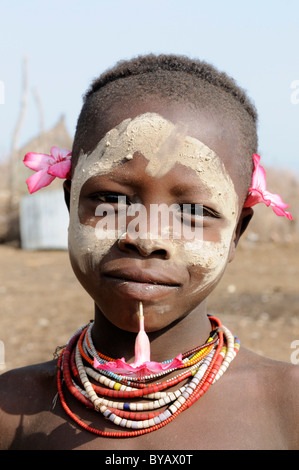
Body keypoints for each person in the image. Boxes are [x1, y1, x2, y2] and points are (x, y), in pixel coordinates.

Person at [0, 54, 298, 451]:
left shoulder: (287, 406)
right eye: (111, 200)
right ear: (70, 204)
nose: (146, 237)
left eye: (193, 212)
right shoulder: (11, 410)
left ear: (236, 234)